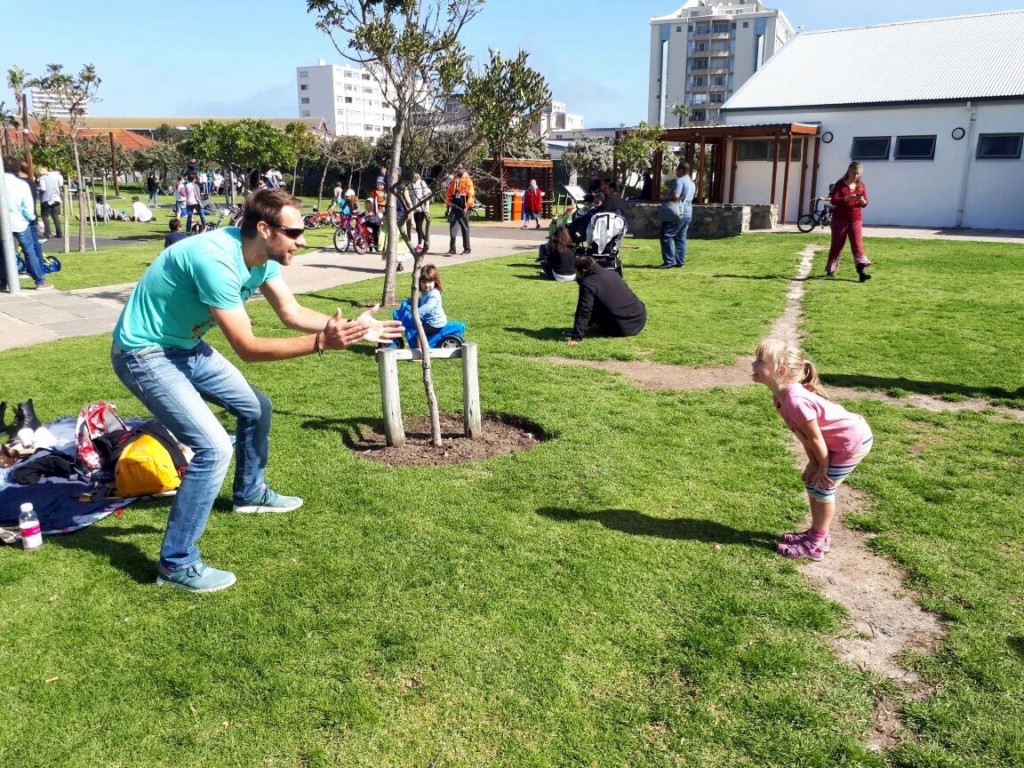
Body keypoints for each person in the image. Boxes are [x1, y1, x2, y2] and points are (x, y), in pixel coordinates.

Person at [109, 188, 402, 593]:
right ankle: (176, 563)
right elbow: (248, 348)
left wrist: (352, 327)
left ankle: (249, 493)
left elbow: (292, 313)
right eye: (295, 231)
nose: (302, 240)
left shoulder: (263, 259)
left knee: (255, 407)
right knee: (214, 449)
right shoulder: (215, 261)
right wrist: (322, 343)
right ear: (264, 229)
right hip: (145, 353)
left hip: (185, 345)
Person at [751, 338, 873, 561]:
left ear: (782, 370)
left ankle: (816, 544)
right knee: (812, 484)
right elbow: (805, 437)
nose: (753, 364)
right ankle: (816, 533)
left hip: (851, 442)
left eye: (760, 360)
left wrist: (823, 467)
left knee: (823, 489)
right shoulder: (780, 397)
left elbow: (816, 439)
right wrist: (813, 463)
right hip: (835, 443)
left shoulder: (795, 402)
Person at [566, 254, 646, 345]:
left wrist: (576, 337)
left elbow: (584, 310)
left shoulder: (588, 283)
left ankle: (585, 328)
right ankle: (588, 325)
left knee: (592, 303)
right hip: (640, 319)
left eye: (577, 273)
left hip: (622, 328)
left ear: (583, 271)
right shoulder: (613, 273)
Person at [3, 157, 52, 290]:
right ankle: (39, 281)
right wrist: (30, 219)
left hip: (2, 223)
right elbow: (28, 207)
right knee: (29, 251)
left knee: (3, 252)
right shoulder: (21, 184)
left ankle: (2, 282)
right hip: (20, 222)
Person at [826, 161, 872, 282]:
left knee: (857, 246)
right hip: (839, 220)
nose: (856, 176)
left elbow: (865, 204)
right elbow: (834, 200)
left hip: (855, 220)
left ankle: (861, 272)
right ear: (849, 171)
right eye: (854, 173)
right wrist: (846, 198)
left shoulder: (861, 186)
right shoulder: (840, 185)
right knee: (837, 245)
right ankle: (831, 269)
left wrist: (862, 200)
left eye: (858, 174)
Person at [659, 161, 696, 269]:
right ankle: (679, 261)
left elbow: (676, 195)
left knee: (666, 235)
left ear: (682, 170)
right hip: (688, 213)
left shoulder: (680, 181)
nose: (676, 172)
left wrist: (665, 198)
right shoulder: (692, 183)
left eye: (677, 170)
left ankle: (669, 261)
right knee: (681, 238)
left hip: (677, 213)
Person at [445, 166, 474, 256]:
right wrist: (448, 202)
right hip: (454, 207)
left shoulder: (468, 180)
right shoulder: (454, 179)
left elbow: (471, 194)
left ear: (464, 169)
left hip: (463, 208)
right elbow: (449, 192)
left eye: (460, 168)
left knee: (465, 228)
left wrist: (467, 207)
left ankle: (467, 249)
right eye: (457, 168)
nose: (457, 170)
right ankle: (452, 249)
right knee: (452, 229)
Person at [417, 263, 447, 336]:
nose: (427, 285)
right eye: (424, 282)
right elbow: (423, 301)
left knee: (419, 334)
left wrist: (416, 312)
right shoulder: (425, 292)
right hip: (429, 320)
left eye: (430, 282)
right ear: (420, 282)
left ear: (435, 282)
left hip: (435, 323)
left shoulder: (434, 294)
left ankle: (419, 347)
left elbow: (428, 306)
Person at [37, 165, 64, 239]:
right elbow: (57, 188)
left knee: (45, 216)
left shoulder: (41, 178)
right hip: (56, 199)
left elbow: (43, 188)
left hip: (47, 199)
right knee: (55, 216)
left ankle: (47, 233)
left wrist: (37, 188)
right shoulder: (52, 179)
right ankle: (59, 233)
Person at [409, 172, 432, 253]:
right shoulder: (410, 185)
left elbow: (427, 195)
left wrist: (427, 208)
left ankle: (420, 244)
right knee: (417, 226)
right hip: (414, 208)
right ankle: (426, 240)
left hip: (421, 208)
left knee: (418, 225)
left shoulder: (422, 183)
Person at [365, 179, 387, 252]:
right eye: (378, 184)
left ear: (384, 185)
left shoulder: (385, 192)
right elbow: (375, 201)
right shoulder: (375, 192)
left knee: (382, 225)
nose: (379, 186)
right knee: (377, 225)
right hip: (379, 209)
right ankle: (376, 243)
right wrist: (376, 210)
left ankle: (382, 243)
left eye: (381, 184)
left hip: (385, 208)